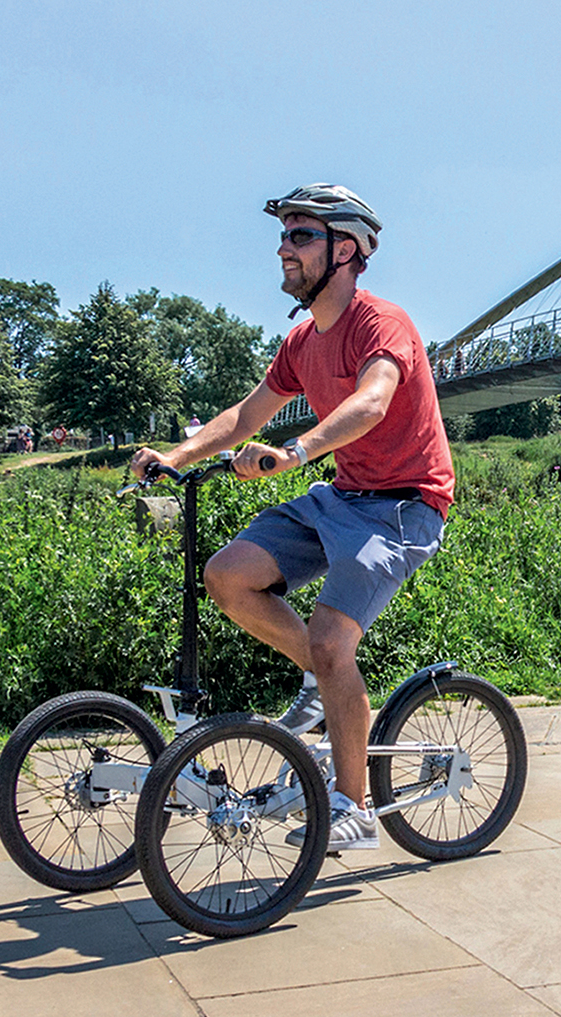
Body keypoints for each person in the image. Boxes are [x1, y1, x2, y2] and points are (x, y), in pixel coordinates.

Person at [129, 183, 454, 851]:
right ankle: (322, 678)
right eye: (284, 235)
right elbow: (246, 417)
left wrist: (296, 451)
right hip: (344, 495)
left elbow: (371, 400)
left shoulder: (381, 324)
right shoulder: (303, 342)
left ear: (348, 250)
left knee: (337, 643)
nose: (284, 247)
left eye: (301, 236)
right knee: (227, 576)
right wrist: (178, 454)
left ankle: (355, 807)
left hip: (404, 505)